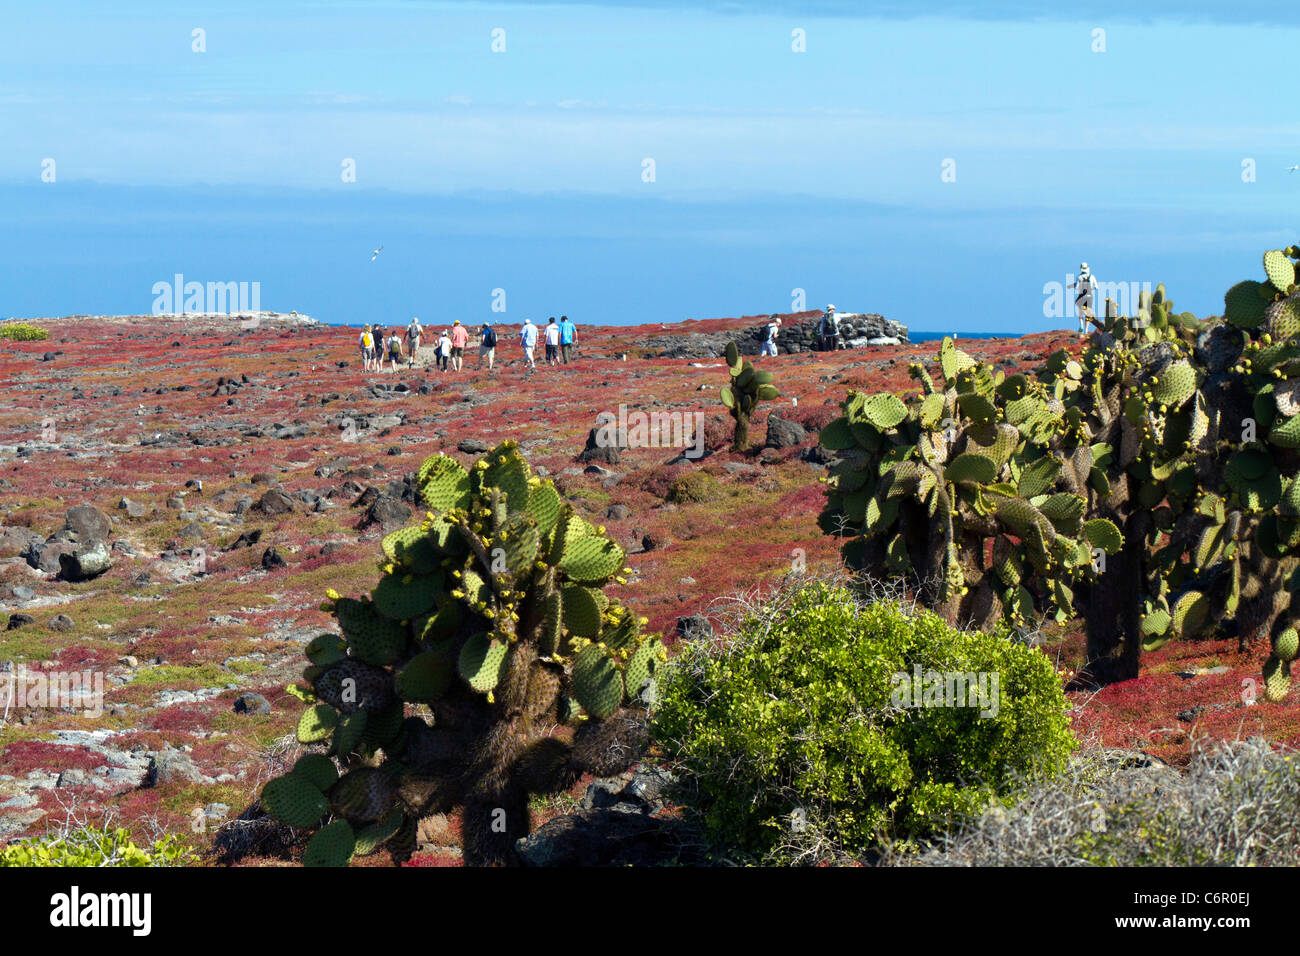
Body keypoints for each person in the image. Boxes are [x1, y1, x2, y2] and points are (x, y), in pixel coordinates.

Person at [1075, 263, 1097, 334]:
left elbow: (1076, 287)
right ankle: (1086, 330)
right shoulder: (1092, 277)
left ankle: (1081, 325)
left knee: (1080, 311)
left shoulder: (1079, 277)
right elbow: (1096, 287)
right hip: (1089, 297)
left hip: (1081, 296)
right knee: (1087, 313)